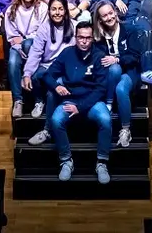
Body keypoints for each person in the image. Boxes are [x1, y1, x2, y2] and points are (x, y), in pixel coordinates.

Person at [43, 21, 113, 185]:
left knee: (106, 119)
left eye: (88, 38)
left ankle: (102, 162)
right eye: (81, 37)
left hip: (91, 100)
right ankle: (66, 160)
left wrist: (80, 107)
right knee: (55, 120)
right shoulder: (67, 53)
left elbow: (101, 89)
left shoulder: (99, 55)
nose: (84, 41)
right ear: (75, 37)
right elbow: (47, 75)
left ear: (92, 39)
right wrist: (57, 86)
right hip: (70, 98)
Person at [93, 0, 152, 149]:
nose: (109, 17)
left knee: (121, 89)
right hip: (109, 75)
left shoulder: (129, 29)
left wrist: (117, 58)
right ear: (99, 19)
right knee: (114, 70)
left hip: (130, 71)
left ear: (116, 13)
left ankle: (125, 129)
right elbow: (98, 58)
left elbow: (134, 56)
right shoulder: (98, 36)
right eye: (104, 16)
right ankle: (108, 105)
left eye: (111, 13)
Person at [25, 0, 77, 130]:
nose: (57, 13)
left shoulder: (74, 26)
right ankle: (39, 101)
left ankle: (48, 129)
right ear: (49, 11)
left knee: (52, 91)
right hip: (47, 65)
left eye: (60, 9)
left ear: (65, 10)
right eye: (54, 9)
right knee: (36, 76)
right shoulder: (44, 28)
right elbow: (35, 52)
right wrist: (27, 74)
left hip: (65, 69)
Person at [5, 0, 47, 118]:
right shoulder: (11, 10)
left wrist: (24, 39)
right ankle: (18, 100)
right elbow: (12, 37)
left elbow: (42, 32)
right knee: (12, 61)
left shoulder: (42, 8)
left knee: (28, 44)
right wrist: (21, 43)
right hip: (17, 46)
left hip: (36, 46)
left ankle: (38, 98)